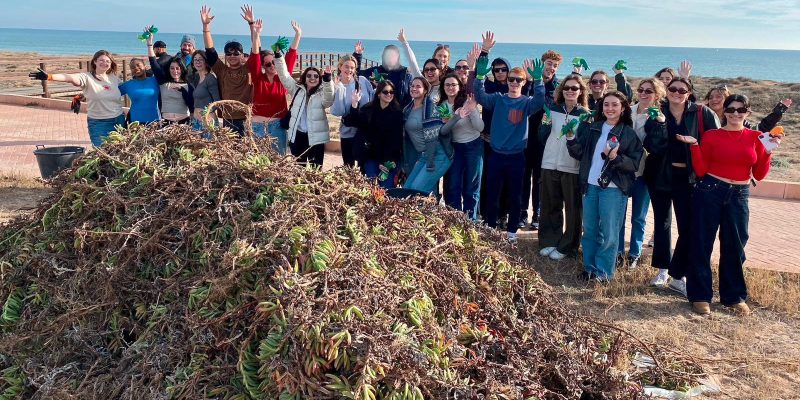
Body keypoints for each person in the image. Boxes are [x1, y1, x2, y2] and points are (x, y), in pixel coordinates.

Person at [677, 94, 777, 315]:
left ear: (747, 113)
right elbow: (701, 170)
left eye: (740, 110)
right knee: (702, 243)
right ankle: (700, 295)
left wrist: (768, 152)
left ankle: (733, 297)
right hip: (710, 191)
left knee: (735, 245)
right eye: (730, 109)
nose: (735, 114)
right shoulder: (712, 136)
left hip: (739, 194)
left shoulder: (757, 137)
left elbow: (759, 174)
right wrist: (694, 146)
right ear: (725, 112)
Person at [643, 77, 720, 296]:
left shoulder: (701, 113)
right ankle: (662, 270)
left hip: (689, 178)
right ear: (666, 91)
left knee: (687, 227)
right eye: (672, 89)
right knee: (662, 224)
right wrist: (659, 124)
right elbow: (653, 146)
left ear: (689, 93)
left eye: (682, 90)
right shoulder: (657, 112)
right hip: (660, 175)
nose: (676, 93)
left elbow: (713, 142)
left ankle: (678, 274)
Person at [473, 31, 546, 242]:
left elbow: (540, 101)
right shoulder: (497, 99)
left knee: (515, 196)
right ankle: (490, 228)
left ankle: (512, 232)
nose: (514, 82)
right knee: (492, 193)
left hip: (516, 157)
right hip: (496, 155)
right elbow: (480, 95)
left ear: (523, 82)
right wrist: (479, 76)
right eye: (511, 79)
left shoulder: (526, 103)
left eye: (518, 80)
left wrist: (539, 79)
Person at [566, 91, 643, 282]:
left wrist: (615, 157)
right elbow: (580, 154)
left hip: (613, 189)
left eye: (614, 105)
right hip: (590, 186)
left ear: (623, 108)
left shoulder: (628, 133)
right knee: (590, 230)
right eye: (606, 104)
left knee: (609, 233)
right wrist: (570, 138)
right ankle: (589, 268)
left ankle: (604, 273)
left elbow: (634, 164)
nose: (610, 108)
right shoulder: (594, 128)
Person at [537, 74, 589, 261]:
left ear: (580, 91)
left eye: (574, 88)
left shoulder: (585, 115)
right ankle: (549, 240)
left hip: (571, 167)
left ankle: (569, 246)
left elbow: (582, 146)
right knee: (550, 205)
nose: (570, 91)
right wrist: (545, 123)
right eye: (566, 88)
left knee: (573, 210)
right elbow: (542, 138)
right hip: (549, 163)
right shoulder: (552, 109)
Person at [617, 78, 666, 269]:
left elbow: (660, 144)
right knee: (619, 215)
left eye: (649, 91)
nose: (644, 94)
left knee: (638, 216)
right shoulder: (628, 110)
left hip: (644, 172)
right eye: (641, 90)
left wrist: (659, 123)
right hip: (623, 170)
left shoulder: (659, 116)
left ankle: (634, 254)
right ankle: (618, 251)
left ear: (657, 95)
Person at [30, 50, 125, 146]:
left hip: (118, 120)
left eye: (108, 61)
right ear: (95, 61)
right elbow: (70, 78)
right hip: (99, 123)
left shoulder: (114, 79)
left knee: (120, 151)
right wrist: (50, 76)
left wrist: (81, 96)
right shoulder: (87, 77)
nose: (104, 63)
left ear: (111, 64)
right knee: (102, 152)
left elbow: (115, 92)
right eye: (101, 60)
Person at [243, 6, 301, 154]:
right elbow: (255, 55)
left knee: (277, 162)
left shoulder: (282, 78)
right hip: (257, 125)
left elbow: (290, 56)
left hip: (277, 126)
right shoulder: (258, 78)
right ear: (263, 65)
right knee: (256, 163)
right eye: (268, 63)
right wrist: (255, 34)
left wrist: (298, 35)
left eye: (274, 62)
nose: (272, 66)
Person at [521, 50, 563, 231]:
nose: (551, 68)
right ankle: (522, 213)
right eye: (549, 64)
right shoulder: (528, 82)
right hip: (525, 137)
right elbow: (522, 100)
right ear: (542, 64)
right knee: (524, 178)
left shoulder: (558, 87)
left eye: (555, 65)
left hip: (545, 140)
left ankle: (537, 215)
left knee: (540, 179)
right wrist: (530, 81)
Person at [274, 47, 335, 167]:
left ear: (320, 79)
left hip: (316, 138)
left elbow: (329, 100)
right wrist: (278, 56)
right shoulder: (296, 89)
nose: (312, 78)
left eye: (316, 76)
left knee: (316, 170)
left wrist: (328, 81)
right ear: (304, 78)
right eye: (309, 76)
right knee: (298, 168)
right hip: (298, 136)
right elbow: (284, 75)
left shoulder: (322, 92)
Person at [200, 5, 252, 135]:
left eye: (236, 54)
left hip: (248, 117)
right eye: (229, 54)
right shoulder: (221, 70)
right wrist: (206, 27)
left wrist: (251, 24)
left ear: (242, 55)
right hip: (228, 118)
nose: (232, 57)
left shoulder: (249, 68)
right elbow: (210, 51)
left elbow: (256, 47)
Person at [342, 81, 404, 188]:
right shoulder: (369, 109)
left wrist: (385, 162)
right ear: (379, 94)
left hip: (388, 159)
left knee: (387, 189)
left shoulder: (397, 113)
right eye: (385, 92)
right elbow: (353, 121)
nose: (389, 94)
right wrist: (354, 104)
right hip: (370, 156)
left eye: (391, 92)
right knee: (372, 187)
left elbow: (395, 141)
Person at [439, 74, 484, 220]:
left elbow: (480, 127)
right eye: (447, 85)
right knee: (453, 186)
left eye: (454, 84)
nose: (450, 87)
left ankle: (471, 221)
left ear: (459, 87)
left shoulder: (467, 102)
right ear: (443, 87)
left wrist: (472, 111)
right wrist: (454, 118)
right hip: (454, 148)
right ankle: (456, 220)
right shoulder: (441, 106)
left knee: (472, 187)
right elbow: (443, 131)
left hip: (473, 146)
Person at [402, 77, 458, 193]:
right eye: (412, 86)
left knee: (417, 191)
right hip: (425, 155)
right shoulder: (407, 109)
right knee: (407, 189)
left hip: (439, 155)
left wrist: (457, 117)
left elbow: (442, 131)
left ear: (426, 90)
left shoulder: (431, 108)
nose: (414, 88)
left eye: (418, 86)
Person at [331, 52, 374, 167]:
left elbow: (373, 98)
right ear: (340, 66)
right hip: (348, 131)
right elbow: (337, 112)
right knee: (348, 166)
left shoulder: (362, 81)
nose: (349, 70)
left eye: (352, 67)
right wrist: (339, 89)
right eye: (346, 66)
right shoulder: (336, 85)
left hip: (364, 129)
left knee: (364, 165)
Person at [353, 30, 416, 106]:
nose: (390, 58)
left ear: (398, 57)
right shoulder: (376, 71)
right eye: (387, 55)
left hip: (399, 113)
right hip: (378, 112)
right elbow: (356, 75)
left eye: (393, 55)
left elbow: (411, 97)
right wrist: (358, 56)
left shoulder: (406, 74)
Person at [146, 29, 193, 124]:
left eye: (177, 68)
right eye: (172, 68)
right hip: (166, 122)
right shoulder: (163, 81)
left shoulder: (187, 84)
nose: (175, 71)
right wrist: (150, 44)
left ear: (182, 69)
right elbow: (153, 62)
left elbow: (192, 105)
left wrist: (183, 90)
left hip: (184, 122)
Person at [704, 85, 791, 132]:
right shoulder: (702, 118)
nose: (714, 99)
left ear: (728, 99)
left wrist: (777, 113)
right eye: (710, 97)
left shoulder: (736, 119)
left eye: (718, 97)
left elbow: (759, 129)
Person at [118, 57, 160, 124]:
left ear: (145, 66)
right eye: (132, 67)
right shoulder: (128, 84)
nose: (136, 68)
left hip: (155, 121)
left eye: (138, 65)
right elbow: (112, 94)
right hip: (135, 123)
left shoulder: (155, 81)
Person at [188, 49, 220, 130]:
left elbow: (217, 102)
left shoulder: (210, 78)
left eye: (201, 59)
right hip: (196, 121)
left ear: (206, 62)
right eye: (195, 59)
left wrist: (205, 114)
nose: (198, 62)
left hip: (208, 122)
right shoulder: (196, 77)